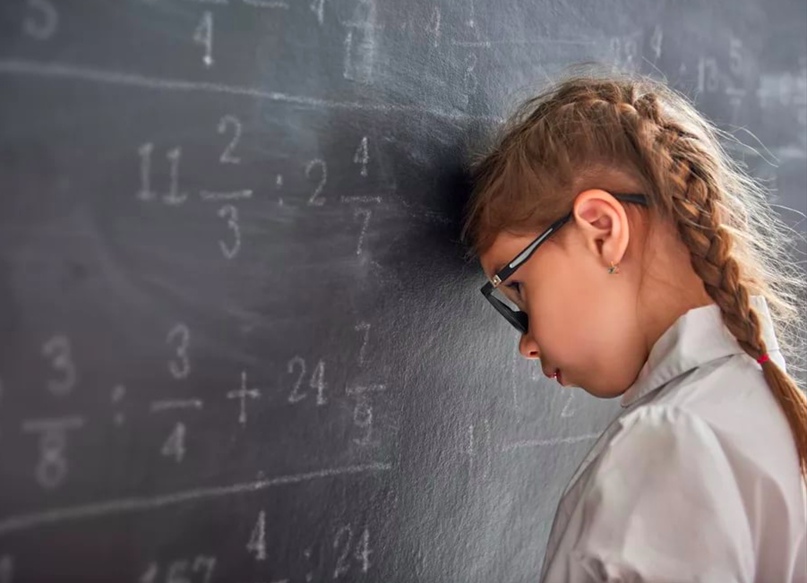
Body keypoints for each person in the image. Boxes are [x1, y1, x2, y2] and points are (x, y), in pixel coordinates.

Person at [461, 69, 807, 582]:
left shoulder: (671, 444)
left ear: (602, 231)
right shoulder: (762, 411)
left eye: (519, 288)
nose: (527, 345)